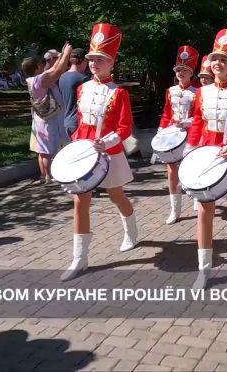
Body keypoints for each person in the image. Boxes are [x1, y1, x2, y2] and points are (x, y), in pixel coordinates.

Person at [61, 24, 139, 281]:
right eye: (91, 59)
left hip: (109, 151)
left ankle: (131, 229)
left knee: (116, 194)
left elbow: (125, 128)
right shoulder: (81, 88)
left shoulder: (119, 92)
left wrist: (106, 143)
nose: (94, 63)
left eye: (100, 60)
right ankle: (79, 258)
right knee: (79, 201)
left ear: (111, 62)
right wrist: (76, 142)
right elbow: (81, 120)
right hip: (84, 152)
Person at [184, 29, 227, 290]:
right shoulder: (201, 93)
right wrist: (189, 151)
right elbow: (197, 124)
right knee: (204, 211)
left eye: (223, 60)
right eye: (215, 59)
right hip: (206, 156)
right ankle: (204, 268)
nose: (218, 64)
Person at [158, 45, 200, 225]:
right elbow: (167, 113)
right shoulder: (170, 91)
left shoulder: (198, 92)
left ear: (191, 73)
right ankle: (175, 209)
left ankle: (198, 197)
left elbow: (200, 116)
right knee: (171, 170)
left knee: (192, 168)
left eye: (185, 70)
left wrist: (187, 122)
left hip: (191, 135)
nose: (181, 73)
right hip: (173, 135)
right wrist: (161, 132)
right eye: (179, 70)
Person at [24, 43, 72, 184]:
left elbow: (55, 69)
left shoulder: (32, 81)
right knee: (49, 150)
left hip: (40, 119)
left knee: (41, 150)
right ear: (37, 67)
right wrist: (66, 53)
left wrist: (61, 55)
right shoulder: (41, 80)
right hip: (49, 120)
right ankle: (51, 176)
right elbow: (58, 71)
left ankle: (44, 176)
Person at [59, 48, 89, 138]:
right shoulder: (83, 79)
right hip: (78, 121)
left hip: (67, 120)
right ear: (83, 60)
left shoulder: (62, 77)